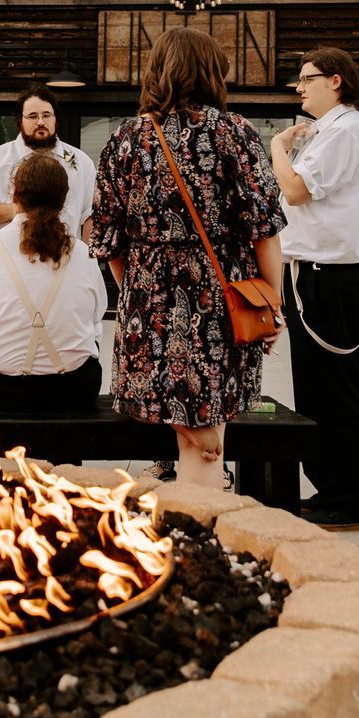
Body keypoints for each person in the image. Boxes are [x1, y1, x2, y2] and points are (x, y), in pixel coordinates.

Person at [90, 28, 285, 491]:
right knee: (207, 437)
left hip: (146, 306)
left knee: (194, 436)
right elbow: (264, 229)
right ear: (210, 72)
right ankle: (199, 535)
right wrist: (271, 304)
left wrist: (139, 291)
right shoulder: (233, 132)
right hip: (219, 302)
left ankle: (188, 526)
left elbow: (107, 241)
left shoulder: (124, 139)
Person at [268, 47, 359, 529]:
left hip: (331, 274)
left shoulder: (345, 129)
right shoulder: (328, 131)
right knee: (315, 389)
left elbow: (294, 190)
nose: (299, 87)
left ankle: (354, 497)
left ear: (335, 80)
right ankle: (331, 487)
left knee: (336, 389)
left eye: (306, 78)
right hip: (313, 269)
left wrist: (277, 147)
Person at [0, 153, 107, 411]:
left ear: (14, 195)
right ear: (63, 201)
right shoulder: (85, 255)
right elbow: (95, 323)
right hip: (70, 391)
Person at [0, 84, 96, 242]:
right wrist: (14, 210)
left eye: (46, 115)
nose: (41, 122)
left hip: (64, 260)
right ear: (20, 121)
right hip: (7, 260)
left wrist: (87, 258)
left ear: (55, 118)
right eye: (33, 116)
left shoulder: (80, 161)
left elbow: (91, 216)